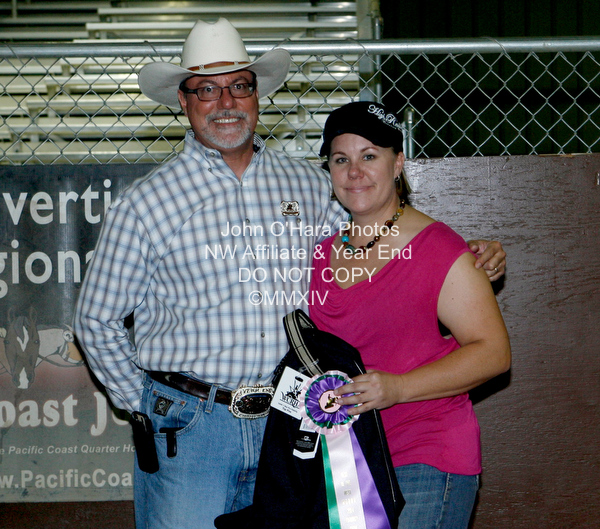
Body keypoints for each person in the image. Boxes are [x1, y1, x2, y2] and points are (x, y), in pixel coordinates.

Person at [73, 19, 507, 529]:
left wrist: (469, 255)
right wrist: (151, 405)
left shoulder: (309, 186)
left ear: (256, 95)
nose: (225, 101)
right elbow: (95, 320)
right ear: (184, 102)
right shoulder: (146, 203)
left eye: (239, 85)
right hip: (191, 430)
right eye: (206, 89)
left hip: (294, 423)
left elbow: (379, 236)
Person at [309, 101, 512, 529]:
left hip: (425, 454)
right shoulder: (320, 252)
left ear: (398, 163)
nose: (354, 172)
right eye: (341, 160)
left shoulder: (438, 247)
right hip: (347, 463)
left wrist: (398, 388)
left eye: (369, 156)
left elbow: (494, 353)